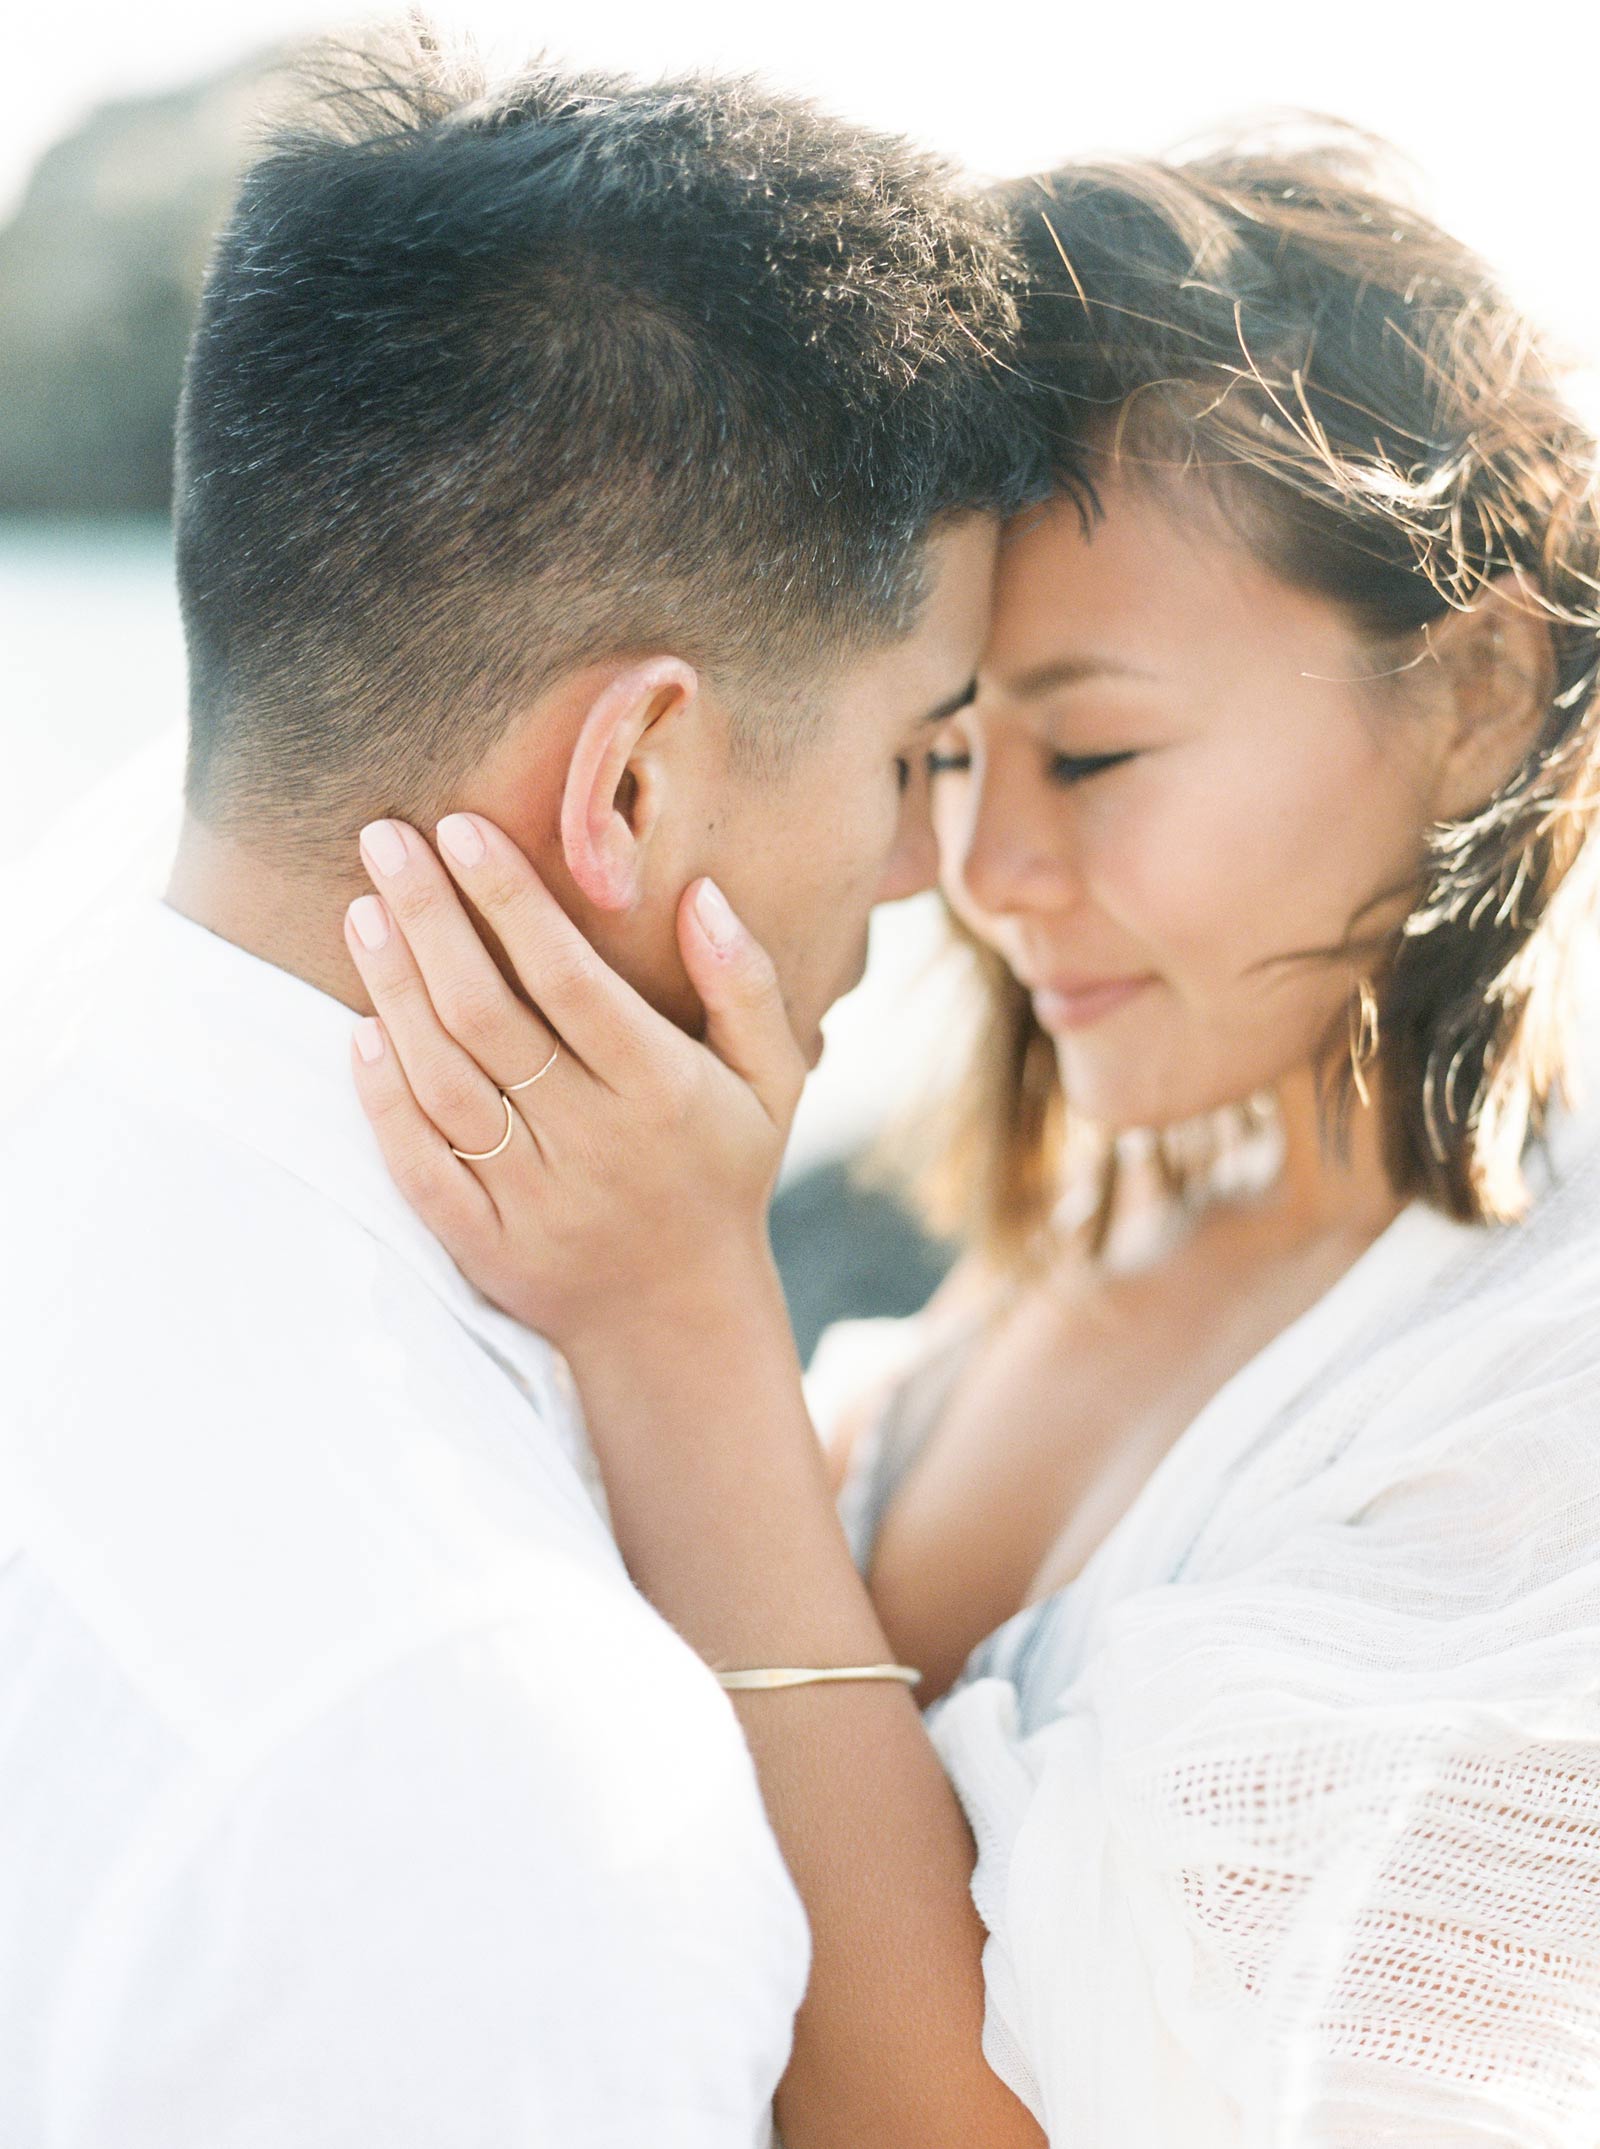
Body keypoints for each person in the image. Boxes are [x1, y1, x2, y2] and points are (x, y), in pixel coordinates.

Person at [347, 135, 1600, 2145]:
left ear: (1467, 693)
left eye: (1090, 752)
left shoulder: (1538, 1423)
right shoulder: (1063, 1251)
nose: (976, 870)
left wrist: (681, 1324)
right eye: (934, 751)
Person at [0, 34, 1046, 2148]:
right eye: (917, 750)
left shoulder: (85, 1003)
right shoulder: (506, 1789)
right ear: (635, 778)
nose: (942, 869)